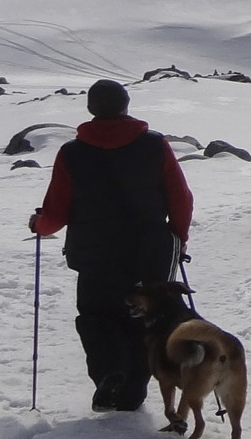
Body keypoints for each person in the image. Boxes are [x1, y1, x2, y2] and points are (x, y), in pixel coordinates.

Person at [28, 79, 194, 412]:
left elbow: (57, 209)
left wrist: (39, 224)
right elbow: (180, 197)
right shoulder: (154, 145)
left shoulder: (72, 152)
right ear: (125, 105)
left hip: (93, 253)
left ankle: (109, 372)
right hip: (149, 252)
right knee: (143, 319)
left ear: (91, 109)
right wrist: (176, 237)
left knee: (95, 315)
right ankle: (133, 391)